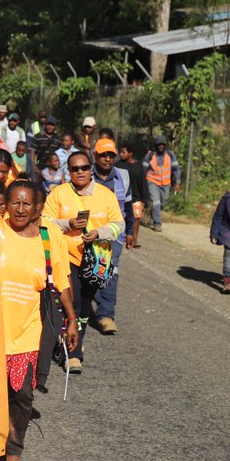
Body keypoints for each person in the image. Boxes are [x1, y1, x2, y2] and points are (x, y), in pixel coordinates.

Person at [0, 180, 79, 461]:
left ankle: (14, 448)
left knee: (21, 394)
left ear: (36, 209)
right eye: (14, 203)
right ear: (5, 204)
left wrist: (72, 320)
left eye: (26, 204)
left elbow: (62, 281)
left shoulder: (48, 237)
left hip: (29, 328)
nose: (20, 209)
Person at [42, 151, 124, 374]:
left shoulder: (106, 195)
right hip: (66, 257)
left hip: (95, 262)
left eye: (84, 168)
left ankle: (75, 336)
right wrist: (67, 223)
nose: (80, 172)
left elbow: (119, 224)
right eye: (75, 169)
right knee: (74, 302)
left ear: (91, 169)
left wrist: (99, 233)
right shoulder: (58, 193)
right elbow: (44, 221)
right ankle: (73, 354)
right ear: (68, 171)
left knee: (86, 307)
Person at [90, 138, 134, 335]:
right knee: (90, 270)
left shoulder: (123, 176)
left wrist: (131, 230)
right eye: (103, 155)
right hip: (88, 233)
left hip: (114, 233)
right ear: (95, 156)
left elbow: (128, 206)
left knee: (111, 271)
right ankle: (83, 307)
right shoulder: (84, 173)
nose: (107, 159)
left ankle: (106, 315)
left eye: (110, 155)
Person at [144, 135, 181, 232]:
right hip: (152, 181)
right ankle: (157, 224)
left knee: (163, 202)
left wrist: (177, 182)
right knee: (156, 202)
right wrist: (142, 183)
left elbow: (176, 169)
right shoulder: (150, 155)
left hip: (165, 184)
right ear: (155, 145)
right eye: (159, 144)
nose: (161, 146)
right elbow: (143, 169)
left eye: (162, 144)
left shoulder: (170, 155)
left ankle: (153, 213)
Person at [117, 141, 147, 247]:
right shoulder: (118, 165)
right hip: (123, 197)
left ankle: (134, 239)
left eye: (123, 152)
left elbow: (143, 182)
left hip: (136, 197)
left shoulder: (138, 166)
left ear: (130, 153)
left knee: (136, 218)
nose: (121, 154)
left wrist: (145, 198)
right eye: (120, 152)